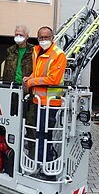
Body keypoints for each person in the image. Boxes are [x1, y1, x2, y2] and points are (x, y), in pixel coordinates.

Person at [23, 26, 67, 180]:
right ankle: (41, 166)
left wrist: (31, 82)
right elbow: (38, 73)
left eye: (46, 37)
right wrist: (29, 78)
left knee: (45, 135)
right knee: (39, 135)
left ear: (52, 38)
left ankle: (47, 170)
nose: (43, 40)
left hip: (50, 103)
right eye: (41, 37)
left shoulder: (58, 55)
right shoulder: (36, 52)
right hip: (38, 101)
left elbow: (53, 79)